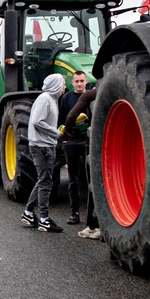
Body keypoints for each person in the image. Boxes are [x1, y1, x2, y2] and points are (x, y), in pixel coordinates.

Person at [21, 73, 66, 233]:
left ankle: (28, 213)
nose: (64, 87)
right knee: (46, 182)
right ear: (55, 85)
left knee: (43, 180)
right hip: (41, 146)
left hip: (46, 145)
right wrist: (55, 133)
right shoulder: (45, 99)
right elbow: (36, 121)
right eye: (63, 83)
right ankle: (44, 220)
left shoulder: (52, 100)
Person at [66, 88, 101, 239]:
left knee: (93, 185)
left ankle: (93, 226)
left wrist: (68, 131)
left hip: (94, 144)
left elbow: (71, 115)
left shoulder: (91, 94)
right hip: (112, 144)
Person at [58, 71, 89, 225]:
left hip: (87, 142)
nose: (79, 84)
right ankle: (74, 213)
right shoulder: (66, 98)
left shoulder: (90, 97)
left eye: (81, 81)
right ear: (72, 82)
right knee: (73, 180)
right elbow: (61, 119)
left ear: (86, 81)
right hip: (71, 142)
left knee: (91, 179)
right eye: (76, 81)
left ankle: (92, 217)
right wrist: (64, 139)